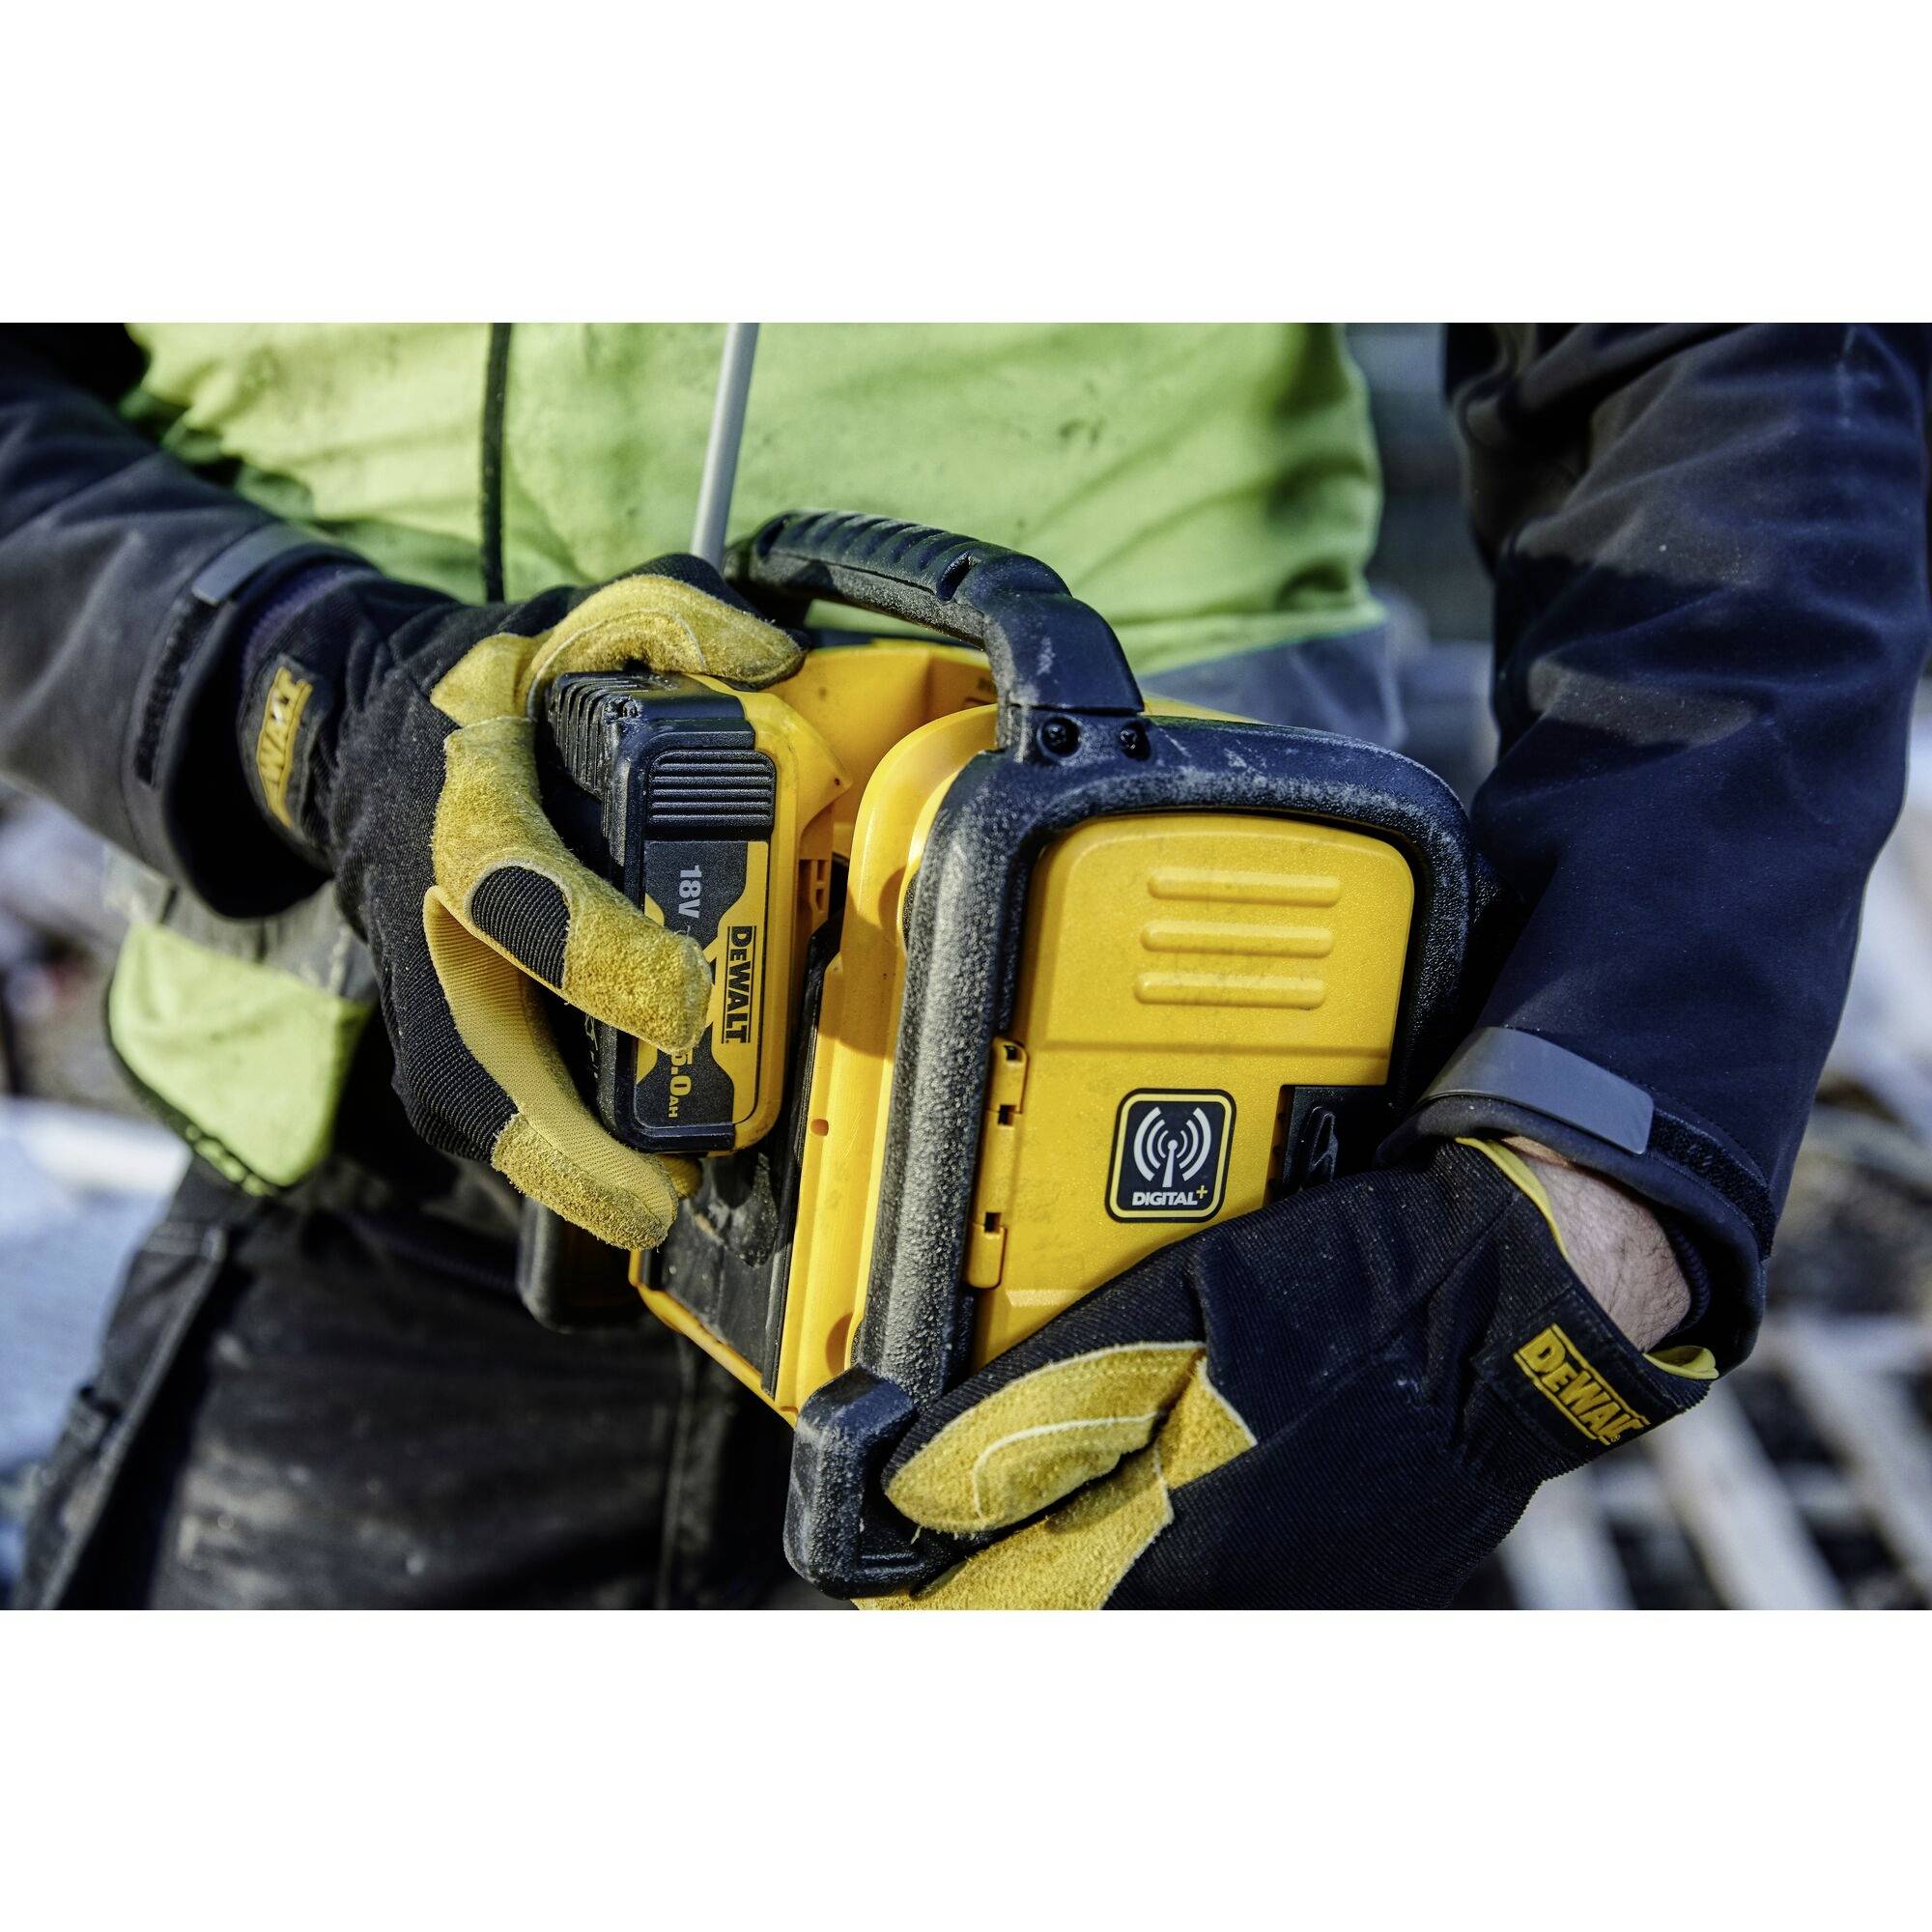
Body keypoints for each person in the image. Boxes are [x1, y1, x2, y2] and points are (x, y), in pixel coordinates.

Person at [2, 325, 1923, 1608]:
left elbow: (1738, 351)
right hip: (381, 1210)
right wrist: (305, 703)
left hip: (1174, 1278)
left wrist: (1604, 1165)